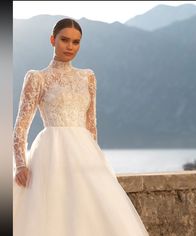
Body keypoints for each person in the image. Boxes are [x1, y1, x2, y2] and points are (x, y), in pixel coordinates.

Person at [13, 17, 149, 236]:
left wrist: (94, 157)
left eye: (76, 42)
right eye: (64, 40)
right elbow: (21, 126)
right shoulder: (37, 78)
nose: (70, 46)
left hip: (85, 155)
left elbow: (91, 124)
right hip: (51, 155)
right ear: (52, 40)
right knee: (53, 215)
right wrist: (21, 165)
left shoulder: (88, 77)